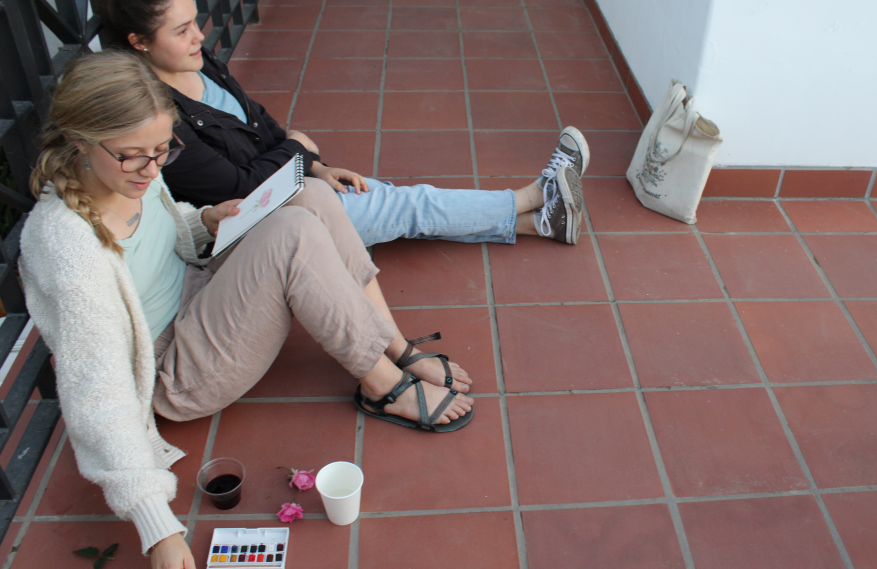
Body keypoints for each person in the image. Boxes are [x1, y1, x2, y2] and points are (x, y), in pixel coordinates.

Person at [21, 50, 476, 569]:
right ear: (79, 142)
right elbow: (94, 394)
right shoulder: (63, 243)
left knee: (310, 198)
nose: (152, 169)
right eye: (134, 156)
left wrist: (204, 220)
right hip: (177, 371)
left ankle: (396, 348)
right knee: (294, 234)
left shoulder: (127, 171)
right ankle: (382, 387)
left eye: (162, 150)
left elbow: (160, 240)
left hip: (199, 294)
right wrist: (158, 528)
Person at [96, 0, 591, 247]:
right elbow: (242, 188)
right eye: (181, 30)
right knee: (408, 205)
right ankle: (531, 198)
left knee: (389, 197)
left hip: (293, 185)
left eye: (196, 21)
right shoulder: (157, 124)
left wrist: (316, 166)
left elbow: (260, 122)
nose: (198, 37)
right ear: (139, 42)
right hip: (268, 225)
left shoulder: (195, 63)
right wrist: (297, 150)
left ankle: (541, 222)